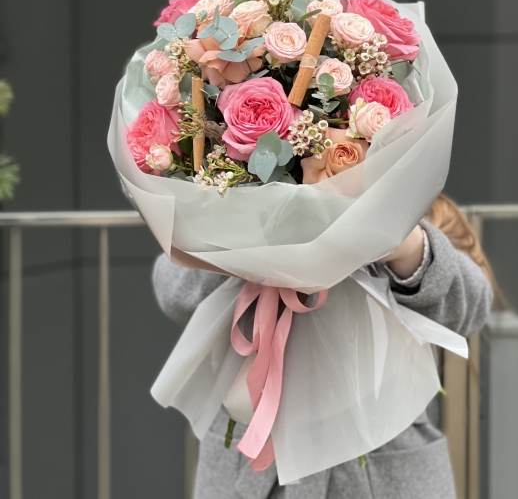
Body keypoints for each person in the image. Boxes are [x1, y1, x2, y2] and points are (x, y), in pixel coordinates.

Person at [152, 193, 493, 499]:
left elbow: (471, 306)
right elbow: (175, 291)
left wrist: (402, 244)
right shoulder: (231, 201)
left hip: (381, 468)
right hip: (251, 466)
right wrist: (244, 228)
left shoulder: (413, 207)